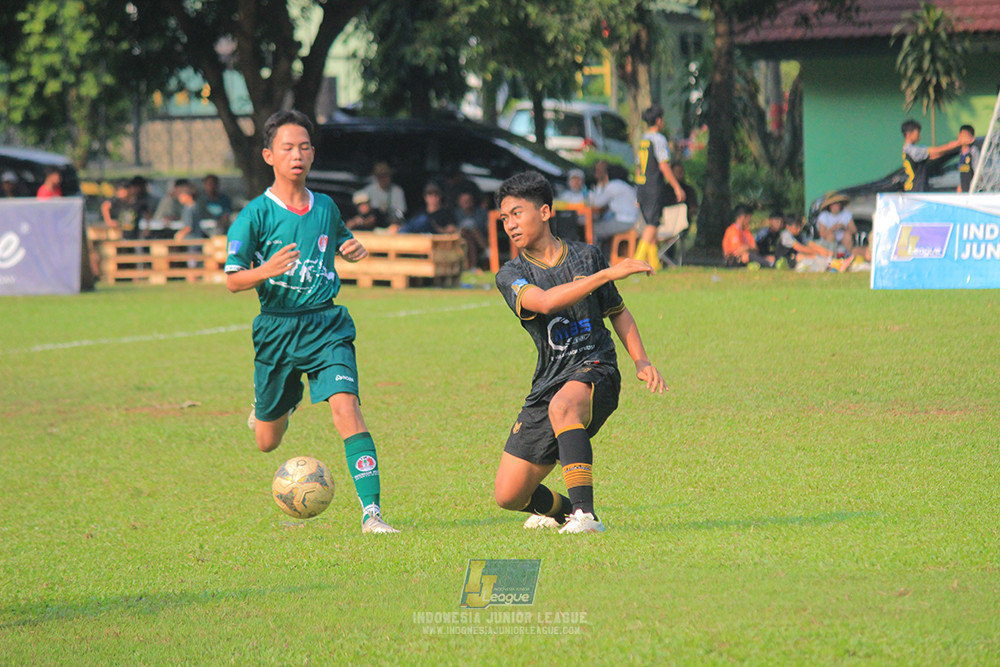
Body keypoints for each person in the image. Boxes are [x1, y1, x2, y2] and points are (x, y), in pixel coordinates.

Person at [224, 109, 399, 534]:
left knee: (347, 410)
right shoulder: (254, 215)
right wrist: (264, 271)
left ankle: (371, 514)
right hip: (277, 329)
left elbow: (338, 238)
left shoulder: (325, 206)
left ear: (312, 153)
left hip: (326, 326)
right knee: (268, 441)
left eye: (304, 147)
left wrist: (350, 248)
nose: (296, 155)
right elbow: (232, 280)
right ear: (269, 155)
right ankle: (267, 408)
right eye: (287, 147)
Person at [493, 171, 666, 534]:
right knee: (510, 494)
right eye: (504, 218)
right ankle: (566, 511)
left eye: (516, 213)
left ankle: (585, 516)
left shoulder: (587, 256)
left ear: (544, 212)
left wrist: (641, 360)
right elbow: (542, 303)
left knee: (564, 406)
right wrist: (608, 274)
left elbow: (616, 311)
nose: (510, 224)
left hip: (595, 366)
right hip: (549, 379)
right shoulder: (511, 273)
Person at [634, 105, 685, 271]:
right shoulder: (659, 139)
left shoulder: (643, 139)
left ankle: (654, 264)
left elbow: (638, 166)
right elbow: (663, 165)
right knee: (653, 224)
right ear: (658, 121)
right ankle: (637, 261)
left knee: (650, 222)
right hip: (653, 186)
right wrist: (677, 187)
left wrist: (637, 192)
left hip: (641, 185)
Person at [589, 160, 638, 257]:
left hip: (623, 222)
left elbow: (597, 203)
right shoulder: (627, 185)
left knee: (592, 229)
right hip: (634, 220)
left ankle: (595, 258)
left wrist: (599, 186)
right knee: (603, 226)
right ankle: (606, 256)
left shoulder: (613, 186)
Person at [901, 119, 962, 192]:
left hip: (918, 187)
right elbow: (936, 150)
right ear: (909, 134)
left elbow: (935, 155)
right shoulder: (912, 150)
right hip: (915, 189)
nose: (919, 135)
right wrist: (957, 143)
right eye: (917, 132)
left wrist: (952, 149)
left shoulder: (911, 149)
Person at [774, 215, 840, 272]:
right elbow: (800, 248)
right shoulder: (786, 235)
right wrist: (818, 252)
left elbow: (810, 244)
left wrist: (824, 251)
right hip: (784, 259)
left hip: (795, 257)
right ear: (788, 226)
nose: (799, 229)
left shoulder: (800, 235)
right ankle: (833, 264)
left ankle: (835, 264)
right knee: (803, 256)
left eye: (800, 226)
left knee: (812, 256)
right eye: (796, 226)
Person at [392, 181, 456, 234]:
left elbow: (451, 230)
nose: (433, 197)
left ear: (440, 196)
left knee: (423, 220)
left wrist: (435, 227)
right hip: (419, 240)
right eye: (430, 193)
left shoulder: (446, 214)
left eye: (436, 193)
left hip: (434, 237)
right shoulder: (419, 212)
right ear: (425, 196)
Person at [454, 189, 488, 270]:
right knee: (468, 232)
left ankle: (473, 267)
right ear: (459, 202)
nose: (467, 203)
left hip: (475, 239)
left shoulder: (480, 213)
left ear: (472, 202)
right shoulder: (456, 214)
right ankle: (487, 250)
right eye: (464, 201)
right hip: (460, 239)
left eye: (468, 201)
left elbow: (485, 228)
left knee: (470, 239)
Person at [957, 124, 980, 193]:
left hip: (973, 190)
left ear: (972, 139)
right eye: (961, 135)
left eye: (965, 136)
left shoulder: (973, 151)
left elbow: (978, 171)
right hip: (964, 189)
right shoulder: (960, 152)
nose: (962, 138)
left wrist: (975, 186)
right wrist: (960, 185)